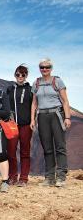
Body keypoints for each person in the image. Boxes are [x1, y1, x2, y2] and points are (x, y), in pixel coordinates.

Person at [31, 58, 71, 187]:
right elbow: (34, 103)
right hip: (42, 116)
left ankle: (61, 177)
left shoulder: (57, 81)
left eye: (47, 67)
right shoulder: (36, 83)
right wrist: (32, 119)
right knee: (47, 148)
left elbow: (65, 101)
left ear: (51, 68)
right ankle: (49, 177)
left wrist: (68, 117)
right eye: (42, 67)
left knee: (60, 146)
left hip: (56, 114)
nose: (44, 69)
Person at [6, 65, 33, 186]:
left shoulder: (31, 90)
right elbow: (6, 106)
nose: (20, 77)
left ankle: (24, 178)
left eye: (23, 74)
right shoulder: (10, 89)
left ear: (26, 75)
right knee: (11, 151)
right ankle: (12, 176)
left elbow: (34, 107)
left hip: (26, 125)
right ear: (15, 75)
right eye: (18, 74)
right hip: (12, 125)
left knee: (25, 151)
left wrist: (33, 120)